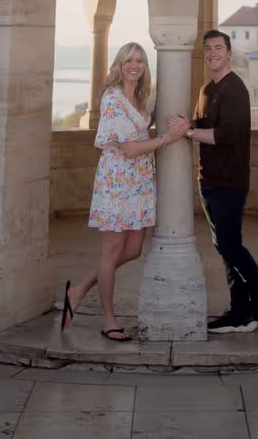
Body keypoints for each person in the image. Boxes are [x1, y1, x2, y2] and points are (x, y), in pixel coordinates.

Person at [62, 41, 187, 342]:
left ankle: (78, 290)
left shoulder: (140, 99)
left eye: (140, 60)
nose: (134, 65)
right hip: (118, 181)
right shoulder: (112, 98)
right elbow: (129, 149)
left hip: (140, 183)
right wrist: (167, 139)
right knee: (112, 251)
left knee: (132, 250)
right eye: (129, 59)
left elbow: (143, 125)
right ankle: (108, 320)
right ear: (119, 65)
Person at [172, 28, 258, 333]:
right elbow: (201, 124)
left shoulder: (235, 89)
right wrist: (182, 124)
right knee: (224, 247)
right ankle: (240, 310)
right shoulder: (206, 90)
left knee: (230, 245)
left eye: (218, 48)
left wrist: (188, 133)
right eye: (208, 49)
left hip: (230, 181)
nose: (212, 53)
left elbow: (226, 135)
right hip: (209, 180)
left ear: (229, 52)